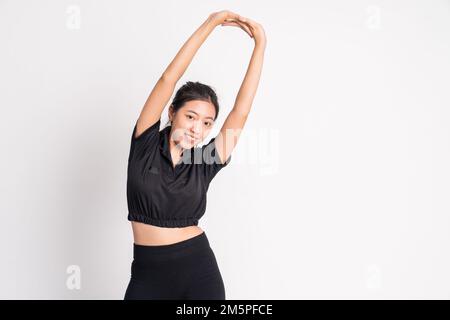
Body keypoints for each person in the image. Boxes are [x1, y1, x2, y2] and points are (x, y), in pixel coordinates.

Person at [124, 10, 266, 300]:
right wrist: (211, 23)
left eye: (206, 123)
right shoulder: (144, 145)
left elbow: (241, 111)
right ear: (172, 112)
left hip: (197, 270)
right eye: (190, 116)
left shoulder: (204, 161)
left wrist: (260, 45)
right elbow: (168, 79)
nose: (197, 128)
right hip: (147, 275)